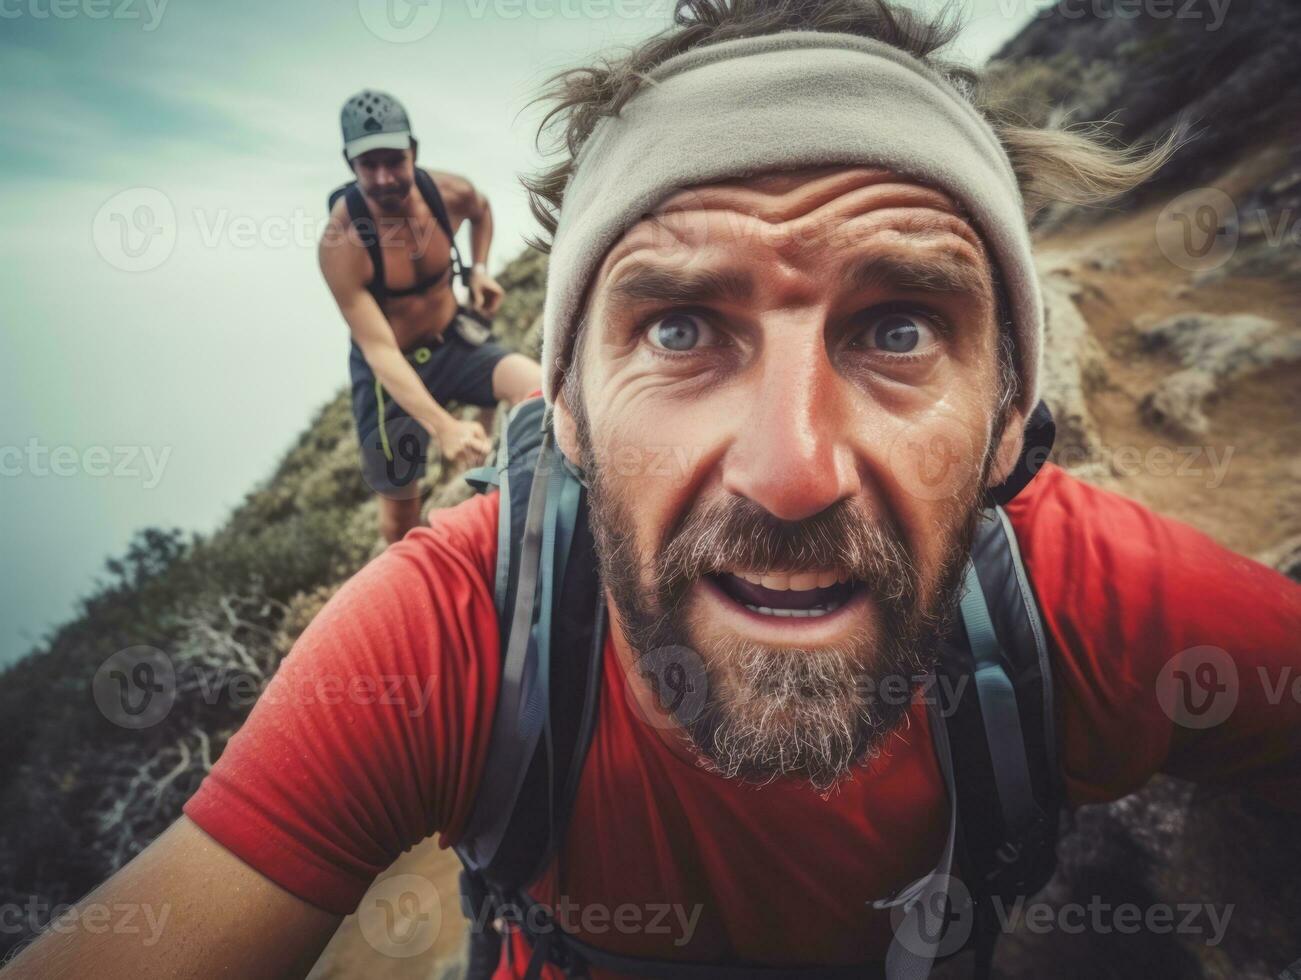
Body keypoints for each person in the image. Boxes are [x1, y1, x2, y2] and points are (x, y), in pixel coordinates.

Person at [5, 2, 1298, 978]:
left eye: (899, 328)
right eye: (679, 329)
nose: (792, 472)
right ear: (560, 407)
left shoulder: (1079, 599)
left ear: (1012, 420)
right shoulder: (457, 635)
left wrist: (477, 286)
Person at [320, 89, 542, 544]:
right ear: (350, 164)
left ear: (414, 152)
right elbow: (379, 351)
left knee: (541, 393)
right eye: (369, 165)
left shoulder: (449, 194)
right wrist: (443, 427)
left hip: (453, 343)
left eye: (394, 161)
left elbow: (482, 212)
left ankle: (530, 525)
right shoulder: (341, 244)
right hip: (392, 378)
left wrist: (478, 270)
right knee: (398, 523)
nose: (384, 178)